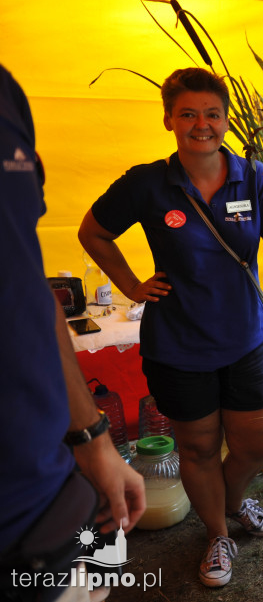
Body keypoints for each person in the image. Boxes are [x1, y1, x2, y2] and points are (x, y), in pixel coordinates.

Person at [78, 68, 263, 588]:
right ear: (169, 118)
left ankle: (232, 501)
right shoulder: (148, 183)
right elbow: (93, 232)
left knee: (258, 443)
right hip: (178, 343)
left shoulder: (253, 176)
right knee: (196, 447)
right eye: (188, 114)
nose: (202, 125)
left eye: (212, 114)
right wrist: (130, 283)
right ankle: (218, 532)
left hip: (244, 336)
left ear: (224, 119)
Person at [1, 63, 146, 602]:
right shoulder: (148, 182)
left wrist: (93, 443)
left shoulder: (6, 96)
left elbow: (26, 284)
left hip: (41, 508)